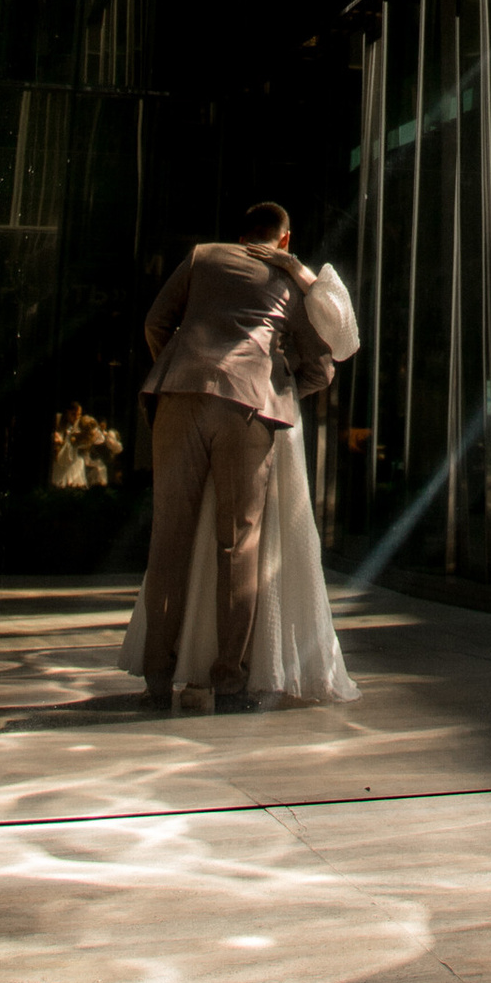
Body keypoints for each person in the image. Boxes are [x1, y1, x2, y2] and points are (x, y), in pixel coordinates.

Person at [123, 253, 363, 704]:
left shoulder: (198, 258)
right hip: (249, 407)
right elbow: (324, 363)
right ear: (285, 238)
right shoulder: (286, 281)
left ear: (240, 239)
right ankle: (229, 678)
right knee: (238, 541)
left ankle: (158, 676)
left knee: (169, 536)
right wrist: (280, 390)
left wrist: (183, 372)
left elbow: (156, 322)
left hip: (179, 396)